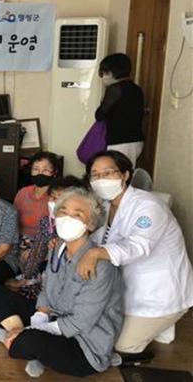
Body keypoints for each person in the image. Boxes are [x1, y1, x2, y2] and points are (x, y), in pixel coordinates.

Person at [0, 188, 123, 378]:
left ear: (90, 224)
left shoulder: (100, 265)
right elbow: (47, 289)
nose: (67, 218)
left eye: (77, 214)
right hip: (54, 318)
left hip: (82, 343)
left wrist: (34, 330)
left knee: (31, 341)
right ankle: (22, 340)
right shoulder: (57, 248)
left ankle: (10, 336)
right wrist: (40, 317)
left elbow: (81, 322)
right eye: (63, 211)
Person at [80, 150, 193, 357]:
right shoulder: (106, 206)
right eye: (95, 175)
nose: (101, 179)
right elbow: (98, 237)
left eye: (108, 173)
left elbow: (139, 246)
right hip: (128, 286)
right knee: (98, 325)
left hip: (158, 293)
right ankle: (155, 327)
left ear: (125, 175)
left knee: (118, 344)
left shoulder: (148, 206)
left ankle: (162, 321)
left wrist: (95, 253)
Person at [8, 175, 85, 300]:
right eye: (52, 197)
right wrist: (26, 277)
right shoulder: (47, 222)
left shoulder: (79, 226)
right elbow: (37, 251)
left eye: (60, 198)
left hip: (67, 281)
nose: (54, 202)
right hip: (46, 270)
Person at [95, 53, 145, 165]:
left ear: (114, 72)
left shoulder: (115, 89)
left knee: (116, 171)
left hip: (119, 142)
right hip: (136, 141)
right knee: (125, 170)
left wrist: (103, 100)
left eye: (105, 73)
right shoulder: (136, 89)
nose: (103, 77)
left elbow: (99, 115)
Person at [14, 151, 61, 239]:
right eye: (36, 169)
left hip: (46, 242)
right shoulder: (23, 193)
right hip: (20, 240)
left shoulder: (57, 196)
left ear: (54, 173)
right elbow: (13, 221)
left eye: (45, 170)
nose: (40, 173)